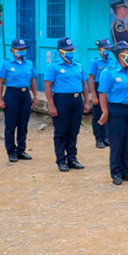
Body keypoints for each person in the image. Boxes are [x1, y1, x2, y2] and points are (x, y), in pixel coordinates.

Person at [98, 41, 128, 185]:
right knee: (117, 142)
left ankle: (127, 170)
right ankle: (116, 172)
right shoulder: (109, 72)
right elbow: (103, 93)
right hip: (117, 110)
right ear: (120, 55)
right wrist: (105, 111)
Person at [44, 37, 90, 172]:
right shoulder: (53, 67)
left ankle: (72, 158)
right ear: (60, 51)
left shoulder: (78, 66)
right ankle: (60, 160)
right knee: (61, 132)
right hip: (61, 101)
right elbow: (48, 86)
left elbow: (84, 85)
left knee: (73, 131)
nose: (71, 52)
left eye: (72, 49)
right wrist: (51, 105)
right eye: (68, 50)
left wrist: (86, 102)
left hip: (76, 101)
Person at [0, 38, 38, 162]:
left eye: (23, 49)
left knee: (23, 124)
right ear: (13, 50)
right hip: (12, 95)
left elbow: (33, 81)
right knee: (11, 125)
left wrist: (35, 96)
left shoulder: (29, 63)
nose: (22, 51)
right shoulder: (7, 64)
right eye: (19, 49)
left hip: (25, 95)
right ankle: (11, 151)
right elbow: (0, 82)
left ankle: (21, 150)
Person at [88, 38, 114, 148]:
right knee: (98, 115)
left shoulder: (111, 61)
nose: (107, 50)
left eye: (108, 48)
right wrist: (94, 95)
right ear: (100, 49)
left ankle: (106, 137)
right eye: (105, 48)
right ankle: (98, 138)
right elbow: (90, 78)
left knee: (107, 113)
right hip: (98, 88)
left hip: (108, 89)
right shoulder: (95, 62)